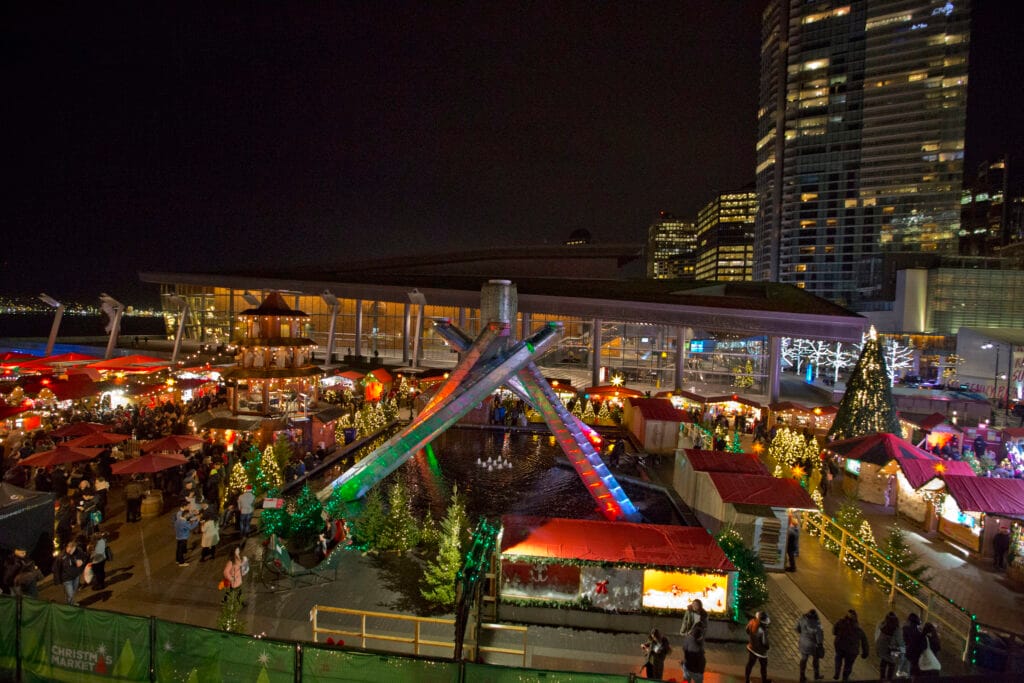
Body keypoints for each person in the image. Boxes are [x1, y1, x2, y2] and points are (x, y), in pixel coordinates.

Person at [832, 609, 869, 681]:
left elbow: (834, 631)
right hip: (851, 651)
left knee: (838, 658)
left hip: (840, 646)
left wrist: (838, 634)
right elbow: (864, 641)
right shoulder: (858, 629)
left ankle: (837, 672)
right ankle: (845, 678)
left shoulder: (840, 622)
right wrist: (865, 653)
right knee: (848, 665)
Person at [53, 540, 86, 606]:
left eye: (73, 549)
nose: (72, 551)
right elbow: (56, 569)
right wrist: (58, 581)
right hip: (67, 579)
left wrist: (82, 562)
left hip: (76, 576)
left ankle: (70, 603)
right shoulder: (61, 557)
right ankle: (71, 605)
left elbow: (84, 557)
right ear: (67, 547)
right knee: (70, 594)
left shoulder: (77, 552)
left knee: (73, 592)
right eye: (71, 549)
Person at [796, 608, 824, 682]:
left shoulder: (802, 619)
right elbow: (819, 637)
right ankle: (816, 675)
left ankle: (802, 676)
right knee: (815, 660)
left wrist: (803, 634)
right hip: (813, 646)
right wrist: (820, 645)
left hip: (803, 643)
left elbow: (797, 628)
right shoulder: (817, 624)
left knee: (804, 659)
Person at [874, 611, 904, 681]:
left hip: (883, 653)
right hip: (892, 653)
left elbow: (878, 641)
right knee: (891, 667)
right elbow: (901, 644)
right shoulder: (897, 631)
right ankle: (888, 680)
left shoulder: (882, 627)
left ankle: (882, 679)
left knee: (883, 665)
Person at [744, 610, 770, 683]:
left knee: (750, 664)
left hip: (752, 647)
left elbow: (747, 631)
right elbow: (765, 643)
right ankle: (764, 680)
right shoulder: (763, 630)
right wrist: (768, 647)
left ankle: (747, 679)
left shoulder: (752, 621)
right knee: (763, 667)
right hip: (761, 652)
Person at [173, 502, 199, 567]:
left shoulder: (179, 518)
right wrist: (197, 521)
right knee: (181, 550)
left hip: (178, 536)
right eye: (188, 515)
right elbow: (191, 527)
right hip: (183, 537)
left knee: (178, 549)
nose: (188, 516)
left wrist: (189, 519)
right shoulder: (183, 522)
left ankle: (177, 560)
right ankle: (181, 562)